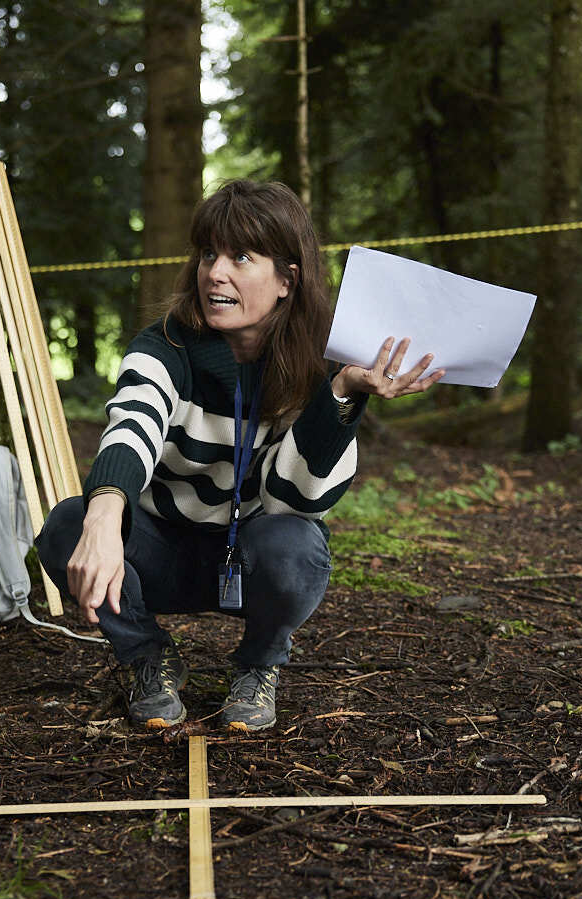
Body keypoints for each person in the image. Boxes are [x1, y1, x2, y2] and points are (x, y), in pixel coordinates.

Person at [35, 180, 443, 732]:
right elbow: (133, 423)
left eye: (240, 257)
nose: (215, 273)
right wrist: (104, 513)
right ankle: (147, 658)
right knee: (67, 526)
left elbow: (295, 499)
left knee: (296, 545)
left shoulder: (322, 363)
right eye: (208, 254)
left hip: (252, 556)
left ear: (285, 279)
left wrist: (342, 394)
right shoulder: (166, 347)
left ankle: (258, 665)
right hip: (162, 551)